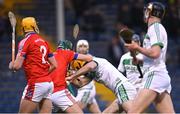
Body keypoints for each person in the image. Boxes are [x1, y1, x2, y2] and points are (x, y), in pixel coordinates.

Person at [125, 2, 175, 113]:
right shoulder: (156, 28)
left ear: (150, 12)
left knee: (133, 112)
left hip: (154, 75)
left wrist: (137, 47)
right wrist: (137, 58)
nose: (145, 13)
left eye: (146, 11)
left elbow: (155, 53)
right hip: (159, 75)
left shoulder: (155, 27)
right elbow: (151, 57)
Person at [9, 17, 57, 113]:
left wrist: (11, 65)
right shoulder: (44, 41)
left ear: (23, 29)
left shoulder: (25, 42)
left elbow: (17, 66)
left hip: (36, 84)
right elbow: (54, 65)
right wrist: (43, 74)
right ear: (34, 26)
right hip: (48, 84)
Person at [66, 56, 137, 113]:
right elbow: (81, 84)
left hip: (122, 87)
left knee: (132, 112)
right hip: (120, 92)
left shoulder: (95, 61)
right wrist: (71, 79)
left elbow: (90, 66)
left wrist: (73, 76)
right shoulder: (92, 73)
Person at [49, 40, 92, 113]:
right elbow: (89, 58)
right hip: (59, 92)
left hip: (46, 93)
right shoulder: (67, 53)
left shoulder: (51, 55)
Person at [74, 39, 101, 113]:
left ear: (88, 48)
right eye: (80, 46)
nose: (82, 48)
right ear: (76, 47)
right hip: (83, 90)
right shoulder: (74, 59)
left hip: (87, 90)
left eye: (85, 46)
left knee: (74, 111)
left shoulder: (91, 59)